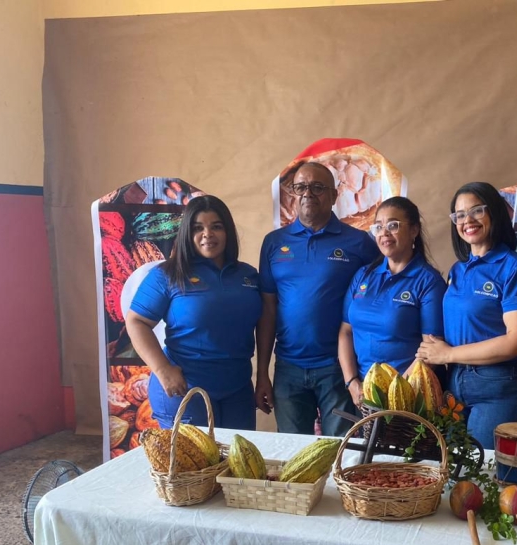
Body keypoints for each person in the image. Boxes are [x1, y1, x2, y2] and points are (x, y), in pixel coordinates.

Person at [256, 162, 379, 436]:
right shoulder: (274, 242)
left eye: (317, 187)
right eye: (300, 187)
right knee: (293, 453)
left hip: (338, 369)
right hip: (288, 368)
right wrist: (262, 373)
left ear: (334, 196)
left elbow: (376, 303)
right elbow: (268, 310)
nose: (307, 193)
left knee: (342, 451)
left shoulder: (359, 243)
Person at [416, 182, 517, 451]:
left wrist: (448, 354)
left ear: (494, 212)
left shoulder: (515, 268)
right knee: (453, 469)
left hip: (500, 387)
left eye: (476, 211)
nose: (467, 220)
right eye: (460, 215)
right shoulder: (457, 270)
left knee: (485, 471)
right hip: (455, 385)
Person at [125, 195, 262, 430]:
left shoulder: (247, 275)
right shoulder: (168, 274)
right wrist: (163, 370)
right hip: (186, 388)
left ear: (228, 231)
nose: (208, 234)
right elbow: (136, 321)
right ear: (187, 234)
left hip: (238, 389)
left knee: (238, 454)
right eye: (198, 228)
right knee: (191, 456)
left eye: (216, 226)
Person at [339, 196, 445, 406]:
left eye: (393, 225)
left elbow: (431, 348)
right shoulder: (363, 275)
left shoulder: (428, 281)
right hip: (363, 395)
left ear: (414, 230)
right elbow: (345, 331)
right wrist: (352, 383)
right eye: (378, 227)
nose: (384, 233)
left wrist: (395, 394)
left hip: (409, 399)